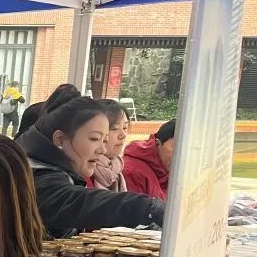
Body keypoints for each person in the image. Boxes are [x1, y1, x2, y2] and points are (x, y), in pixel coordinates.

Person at [17, 97, 164, 238]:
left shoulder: (65, 172)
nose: (102, 150)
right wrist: (145, 208)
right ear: (60, 139)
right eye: (94, 138)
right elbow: (74, 202)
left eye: (105, 140)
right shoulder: (36, 174)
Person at [123, 119, 175, 200]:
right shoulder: (133, 172)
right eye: (175, 147)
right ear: (158, 143)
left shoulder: (169, 172)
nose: (182, 155)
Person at [88, 99, 129, 192]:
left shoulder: (117, 168)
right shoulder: (83, 172)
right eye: (114, 128)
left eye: (125, 128)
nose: (123, 135)